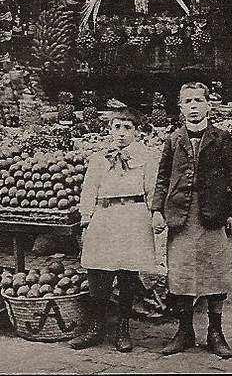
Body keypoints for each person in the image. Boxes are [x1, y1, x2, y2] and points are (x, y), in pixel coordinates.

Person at [152, 82, 232, 359]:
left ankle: (215, 332)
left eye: (198, 101)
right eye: (187, 101)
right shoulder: (173, 140)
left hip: (213, 215)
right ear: (180, 107)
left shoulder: (222, 138)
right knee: (181, 273)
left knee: (215, 272)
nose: (193, 106)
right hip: (181, 215)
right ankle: (184, 331)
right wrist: (157, 210)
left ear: (208, 105)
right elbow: (163, 178)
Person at [70, 109, 158, 352]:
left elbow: (152, 190)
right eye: (116, 127)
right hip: (105, 216)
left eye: (127, 128)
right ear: (110, 130)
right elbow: (89, 190)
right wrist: (86, 218)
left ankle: (122, 328)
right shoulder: (100, 158)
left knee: (127, 273)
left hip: (133, 215)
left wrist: (154, 218)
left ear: (137, 131)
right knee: (99, 271)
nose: (121, 133)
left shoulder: (147, 158)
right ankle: (97, 326)